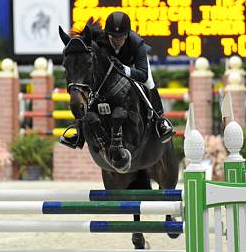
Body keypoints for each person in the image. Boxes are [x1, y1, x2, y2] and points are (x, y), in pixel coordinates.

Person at [60, 12, 174, 149]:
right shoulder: (101, 40)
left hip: (133, 66)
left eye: (121, 37)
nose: (117, 40)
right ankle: (79, 132)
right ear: (107, 34)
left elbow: (143, 74)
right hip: (111, 71)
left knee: (149, 82)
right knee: (91, 87)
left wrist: (124, 69)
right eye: (113, 36)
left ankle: (160, 121)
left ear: (127, 34)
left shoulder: (136, 43)